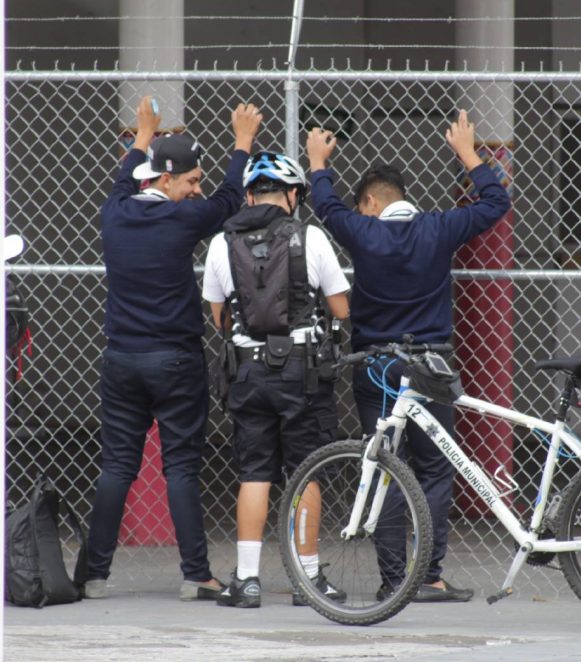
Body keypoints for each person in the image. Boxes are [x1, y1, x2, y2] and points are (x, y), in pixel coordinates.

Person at [305, 109, 512, 602]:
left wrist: (318, 163)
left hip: (376, 367)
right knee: (435, 468)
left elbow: (326, 206)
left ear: (371, 202)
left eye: (362, 205)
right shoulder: (439, 228)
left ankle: (395, 580)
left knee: (384, 464)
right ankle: (430, 576)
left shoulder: (362, 230)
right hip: (431, 364)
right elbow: (496, 200)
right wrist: (468, 154)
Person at [86, 96, 262, 601]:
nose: (197, 190)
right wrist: (243, 142)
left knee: (117, 465)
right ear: (166, 181)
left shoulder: (114, 213)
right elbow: (230, 198)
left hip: (121, 359)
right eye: (191, 182)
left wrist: (143, 133)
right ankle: (196, 576)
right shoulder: (182, 221)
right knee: (181, 466)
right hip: (176, 360)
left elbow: (124, 177)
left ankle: (93, 575)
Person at [202, 150, 350, 608]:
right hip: (302, 372)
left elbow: (219, 315)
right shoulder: (311, 237)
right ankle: (307, 580)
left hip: (247, 370)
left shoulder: (220, 243)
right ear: (292, 195)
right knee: (307, 472)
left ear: (247, 194)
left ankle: (247, 580)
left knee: (254, 472)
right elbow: (342, 309)